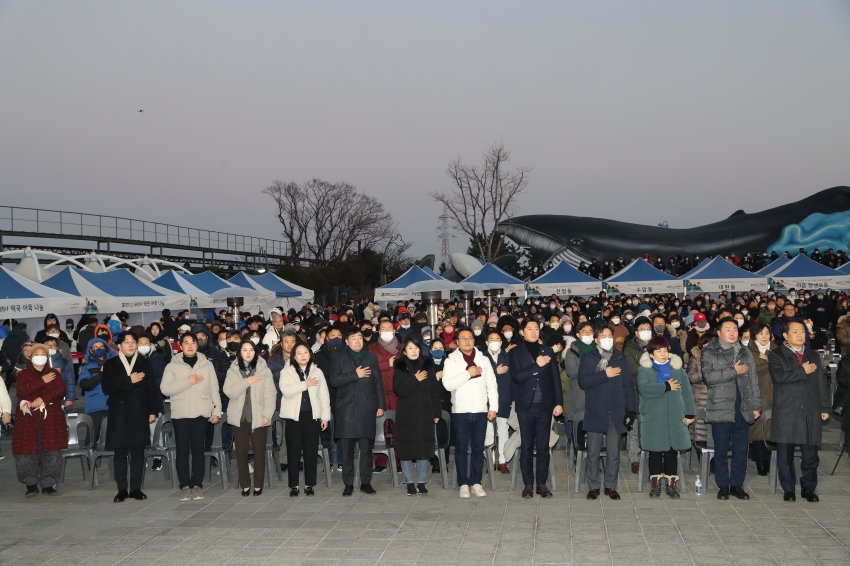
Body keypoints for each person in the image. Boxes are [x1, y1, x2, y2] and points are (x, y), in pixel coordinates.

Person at [769, 318, 831, 502]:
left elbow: (821, 383)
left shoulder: (813, 354)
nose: (800, 335)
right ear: (785, 335)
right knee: (785, 455)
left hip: (810, 410)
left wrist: (825, 406)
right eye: (795, 332)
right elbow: (778, 377)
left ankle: (808, 489)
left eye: (802, 331)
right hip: (787, 411)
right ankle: (789, 489)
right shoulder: (776, 355)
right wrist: (802, 370)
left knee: (810, 455)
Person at [701, 319, 762, 500]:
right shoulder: (709, 351)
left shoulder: (745, 352)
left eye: (735, 329)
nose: (732, 332)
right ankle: (723, 485)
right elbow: (708, 377)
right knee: (720, 450)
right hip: (721, 407)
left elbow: (753, 380)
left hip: (742, 408)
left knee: (741, 450)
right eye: (727, 329)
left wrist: (756, 406)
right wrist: (733, 370)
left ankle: (737, 484)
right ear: (719, 333)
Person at [161, 333, 223, 502]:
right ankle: (184, 486)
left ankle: (197, 485)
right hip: (180, 414)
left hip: (201, 412)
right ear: (180, 346)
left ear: (197, 345)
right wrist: (188, 381)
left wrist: (216, 410)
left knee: (198, 450)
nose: (190, 346)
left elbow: (214, 389)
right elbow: (165, 389)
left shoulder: (206, 365)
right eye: (186, 343)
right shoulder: (172, 366)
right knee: (182, 451)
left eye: (193, 343)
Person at [577, 327, 636, 500]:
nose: (608, 339)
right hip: (596, 410)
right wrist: (605, 374)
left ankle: (611, 485)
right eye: (603, 336)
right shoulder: (588, 358)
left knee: (614, 452)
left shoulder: (620, 358)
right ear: (596, 340)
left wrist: (630, 410)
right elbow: (583, 382)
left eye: (610, 336)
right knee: (593, 451)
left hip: (616, 410)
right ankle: (593, 486)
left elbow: (628, 386)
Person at [100, 331, 160, 502]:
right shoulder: (111, 364)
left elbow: (152, 389)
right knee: (119, 453)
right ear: (119, 345)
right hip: (118, 413)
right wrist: (129, 380)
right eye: (127, 342)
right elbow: (107, 387)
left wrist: (152, 411)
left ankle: (135, 488)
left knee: (138, 452)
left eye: (133, 341)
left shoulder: (144, 363)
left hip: (139, 412)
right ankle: (121, 490)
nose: (131, 345)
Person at [508, 319, 564, 498]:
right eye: (529, 329)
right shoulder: (515, 352)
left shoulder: (547, 350)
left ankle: (542, 483)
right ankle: (527, 484)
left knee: (543, 446)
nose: (533, 331)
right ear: (522, 332)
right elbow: (517, 376)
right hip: (525, 406)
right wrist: (536, 365)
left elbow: (555, 378)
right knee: (526, 446)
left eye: (536, 328)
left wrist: (558, 403)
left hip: (545, 406)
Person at [442, 327, 499, 499]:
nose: (467, 341)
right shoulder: (451, 360)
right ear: (457, 342)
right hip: (461, 411)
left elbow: (492, 384)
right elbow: (448, 385)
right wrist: (468, 373)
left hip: (481, 410)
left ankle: (476, 482)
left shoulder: (484, 359)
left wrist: (493, 407)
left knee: (478, 448)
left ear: (475, 340)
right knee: (460, 449)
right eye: (463, 338)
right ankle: (463, 483)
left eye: (470, 338)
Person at [328, 326, 385, 496]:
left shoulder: (371, 358)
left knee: (366, 449)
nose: (358, 340)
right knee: (346, 451)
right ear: (346, 341)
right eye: (353, 338)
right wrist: (355, 374)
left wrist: (381, 405)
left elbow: (378, 383)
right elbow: (334, 381)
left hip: (367, 407)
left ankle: (366, 482)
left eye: (360, 337)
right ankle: (348, 484)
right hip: (346, 409)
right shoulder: (338, 358)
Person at [637, 337, 695, 498]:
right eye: (658, 351)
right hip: (654, 416)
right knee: (655, 451)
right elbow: (643, 389)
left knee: (671, 450)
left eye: (665, 350)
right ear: (651, 353)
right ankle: (655, 483)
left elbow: (687, 392)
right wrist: (666, 386)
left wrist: (690, 413)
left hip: (675, 415)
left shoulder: (677, 368)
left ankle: (671, 484)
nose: (663, 354)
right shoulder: (644, 369)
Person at [12, 344, 67, 496]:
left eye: (44, 353)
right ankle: (31, 484)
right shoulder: (23, 375)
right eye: (37, 353)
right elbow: (22, 391)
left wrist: (43, 398)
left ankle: (48, 483)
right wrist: (42, 381)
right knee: (26, 450)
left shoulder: (54, 373)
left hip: (51, 418)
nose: (40, 355)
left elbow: (60, 390)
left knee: (52, 450)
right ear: (29, 356)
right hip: (28, 420)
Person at [224, 340, 276, 496]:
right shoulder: (232, 370)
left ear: (256, 352)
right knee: (241, 453)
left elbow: (270, 395)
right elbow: (229, 391)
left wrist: (267, 414)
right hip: (239, 418)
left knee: (259, 453)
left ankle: (258, 485)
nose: (248, 353)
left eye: (251, 350)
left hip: (258, 417)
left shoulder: (264, 371)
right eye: (245, 350)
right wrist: (247, 381)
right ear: (240, 352)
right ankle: (245, 484)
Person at [393, 336, 442, 496]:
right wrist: (415, 379)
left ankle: (421, 482)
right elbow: (400, 391)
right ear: (404, 352)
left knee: (423, 448)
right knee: (406, 449)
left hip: (425, 414)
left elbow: (435, 392)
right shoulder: (399, 369)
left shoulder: (428, 367)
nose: (414, 351)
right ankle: (408, 482)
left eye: (416, 348)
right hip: (406, 415)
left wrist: (436, 413)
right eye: (410, 348)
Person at [280, 343, 331, 496]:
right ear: (294, 356)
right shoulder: (286, 372)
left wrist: (325, 417)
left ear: (310, 355)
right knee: (293, 452)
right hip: (293, 418)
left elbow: (324, 395)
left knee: (311, 451)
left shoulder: (317, 372)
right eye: (299, 353)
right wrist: (305, 384)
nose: (303, 355)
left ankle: (309, 484)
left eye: (306, 352)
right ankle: (293, 485)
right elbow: (286, 391)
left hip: (312, 416)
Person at [368, 319, 400, 473]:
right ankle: (380, 462)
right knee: (379, 428)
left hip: (398, 393)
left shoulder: (402, 348)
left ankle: (400, 461)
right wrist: (388, 365)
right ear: (379, 331)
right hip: (379, 393)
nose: (387, 331)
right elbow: (369, 368)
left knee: (398, 428)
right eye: (383, 328)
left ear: (394, 331)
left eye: (389, 328)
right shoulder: (371, 349)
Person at [623, 316, 653, 474]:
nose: (646, 332)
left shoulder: (658, 345)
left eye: (648, 329)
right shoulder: (629, 349)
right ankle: (635, 459)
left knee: (652, 428)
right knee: (634, 431)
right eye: (642, 329)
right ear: (636, 332)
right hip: (636, 393)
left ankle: (651, 457)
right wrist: (650, 362)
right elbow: (631, 369)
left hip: (654, 394)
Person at [747, 323, 777, 476]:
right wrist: (770, 363)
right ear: (754, 336)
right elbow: (751, 371)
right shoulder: (748, 352)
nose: (764, 336)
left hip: (774, 394)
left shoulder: (777, 350)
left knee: (772, 429)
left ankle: (769, 459)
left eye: (767, 333)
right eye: (760, 333)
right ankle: (759, 460)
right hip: (757, 394)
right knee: (758, 430)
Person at [484, 330, 515, 474]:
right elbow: (479, 377)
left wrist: (513, 398)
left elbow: (514, 380)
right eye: (491, 339)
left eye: (497, 339)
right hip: (486, 401)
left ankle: (502, 461)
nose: (494, 341)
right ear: (486, 342)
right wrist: (496, 371)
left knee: (503, 431)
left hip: (503, 398)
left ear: (501, 342)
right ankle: (490, 461)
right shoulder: (481, 357)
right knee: (488, 432)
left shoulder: (507, 357)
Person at [77, 337, 116, 447]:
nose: (99, 349)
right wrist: (100, 374)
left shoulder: (114, 363)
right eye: (95, 347)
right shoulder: (86, 367)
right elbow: (85, 385)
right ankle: (90, 462)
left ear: (106, 348)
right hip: (94, 405)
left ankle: (112, 462)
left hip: (112, 404)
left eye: (101, 347)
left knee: (114, 436)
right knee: (91, 438)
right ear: (90, 350)